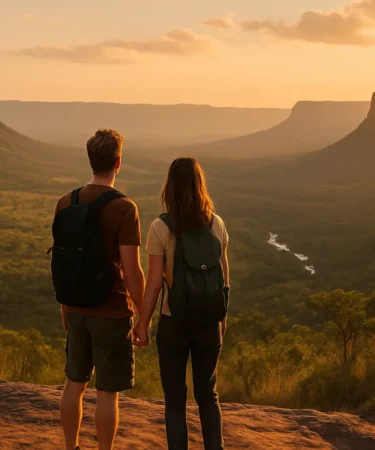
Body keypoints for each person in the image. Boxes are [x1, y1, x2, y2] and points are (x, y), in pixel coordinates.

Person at [53, 129, 145, 450]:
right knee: (107, 392)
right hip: (112, 312)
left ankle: (71, 447)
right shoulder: (124, 208)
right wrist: (143, 317)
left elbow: (64, 263)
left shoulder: (66, 202)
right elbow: (132, 270)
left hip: (75, 309)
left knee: (74, 384)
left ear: (91, 159)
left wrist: (64, 306)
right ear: (118, 162)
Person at [135, 157, 230, 450]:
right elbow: (225, 279)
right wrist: (221, 323)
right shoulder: (216, 224)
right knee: (208, 395)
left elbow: (153, 285)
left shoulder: (160, 228)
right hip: (208, 324)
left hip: (173, 322)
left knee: (175, 401)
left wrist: (142, 324)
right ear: (200, 185)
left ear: (170, 188)